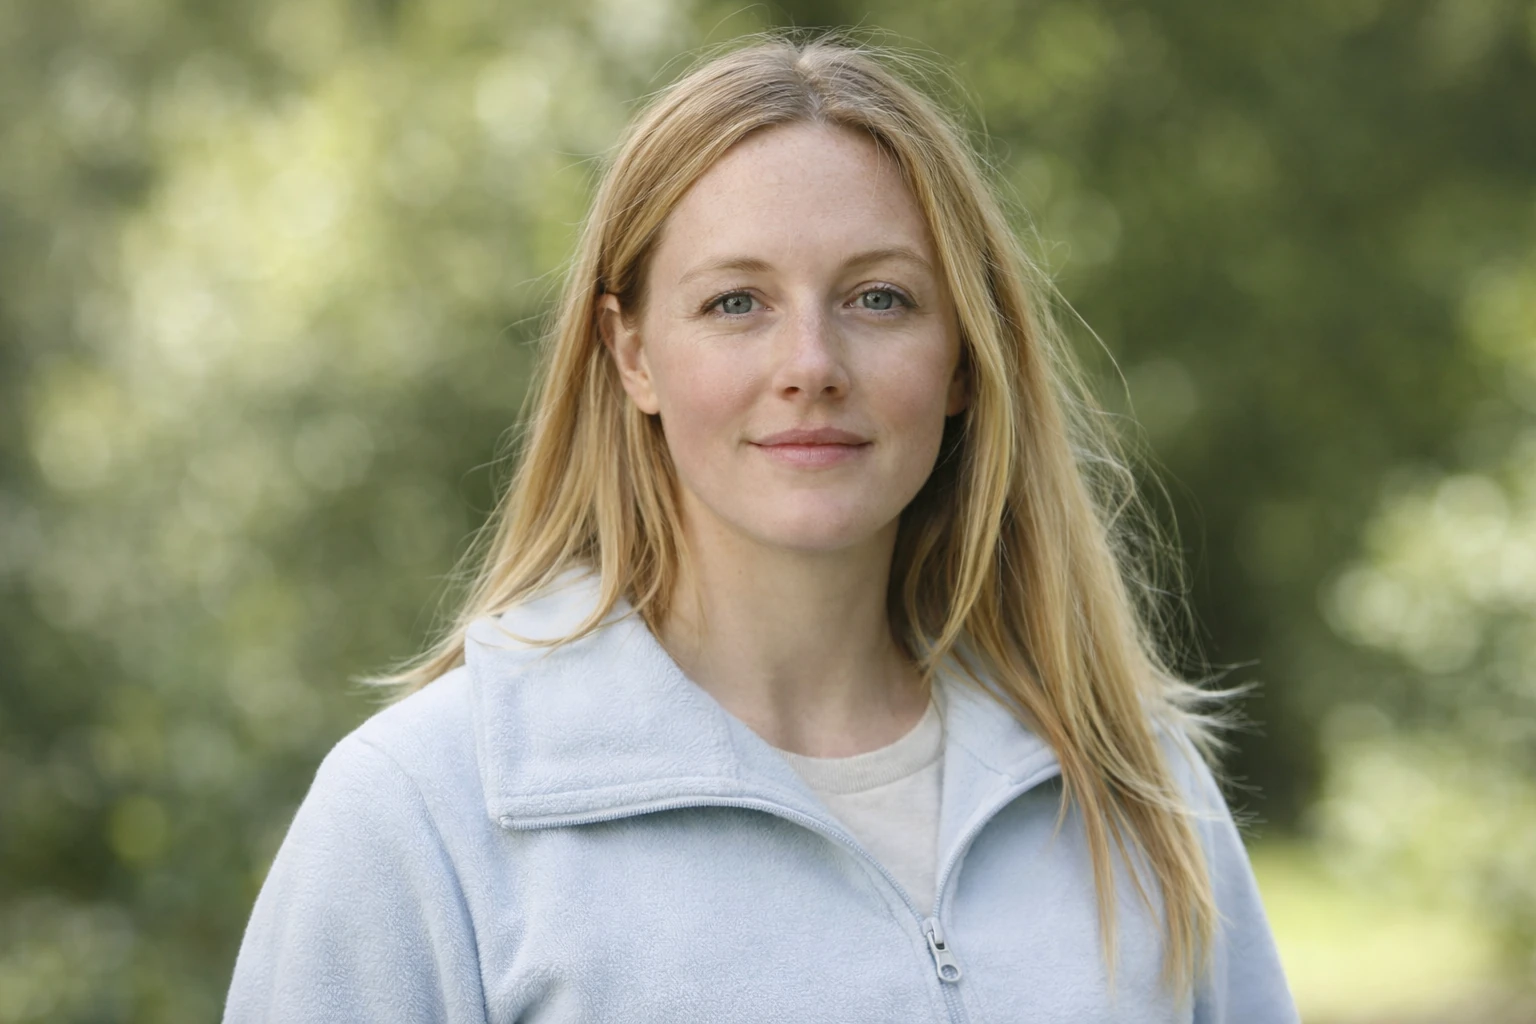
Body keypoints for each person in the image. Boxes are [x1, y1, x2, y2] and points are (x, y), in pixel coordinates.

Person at [223, 32, 1298, 1023]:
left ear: (965, 358)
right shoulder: (422, 808)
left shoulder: (1131, 780)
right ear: (633, 355)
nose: (811, 366)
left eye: (879, 298)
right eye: (737, 302)